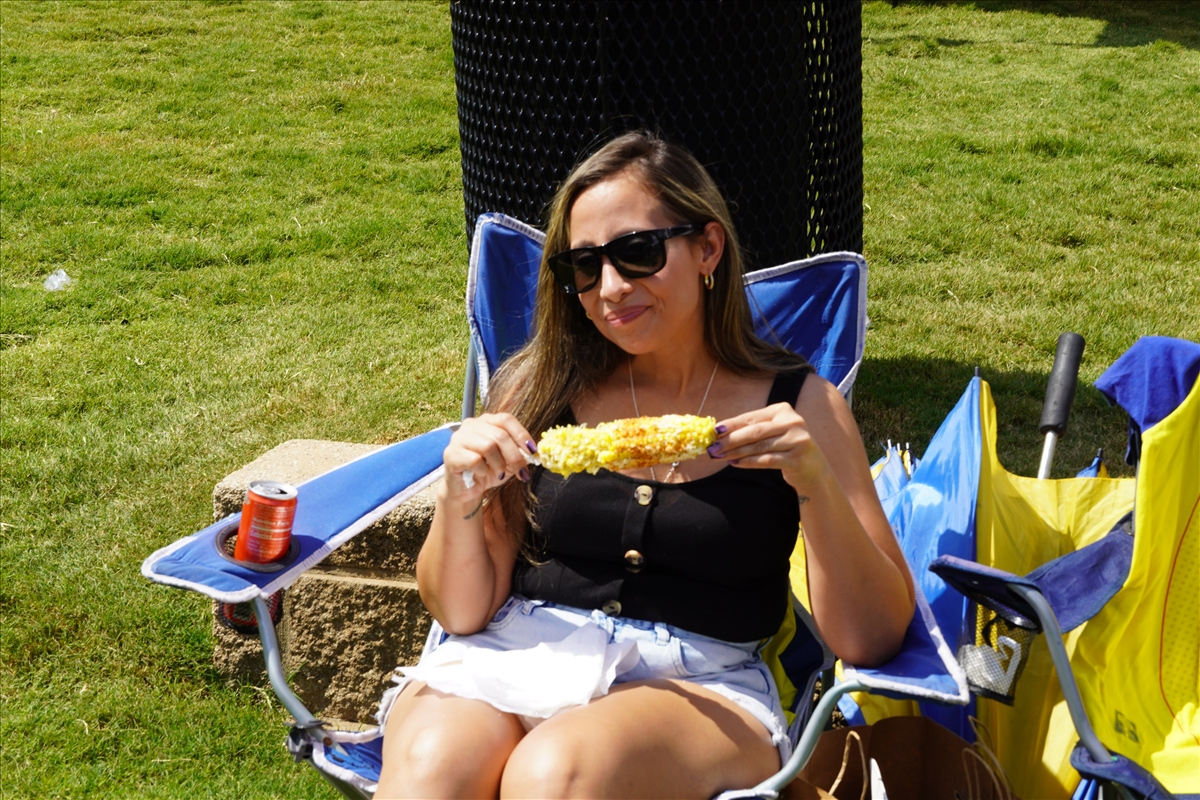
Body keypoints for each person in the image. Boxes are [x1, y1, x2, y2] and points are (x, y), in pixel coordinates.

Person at [374, 131, 914, 799]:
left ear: (707, 248)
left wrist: (816, 484)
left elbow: (872, 639)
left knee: (555, 774)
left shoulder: (802, 408)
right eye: (584, 265)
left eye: (637, 252)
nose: (609, 288)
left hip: (699, 682)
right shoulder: (537, 389)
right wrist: (460, 497)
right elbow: (460, 614)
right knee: (432, 763)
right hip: (517, 649)